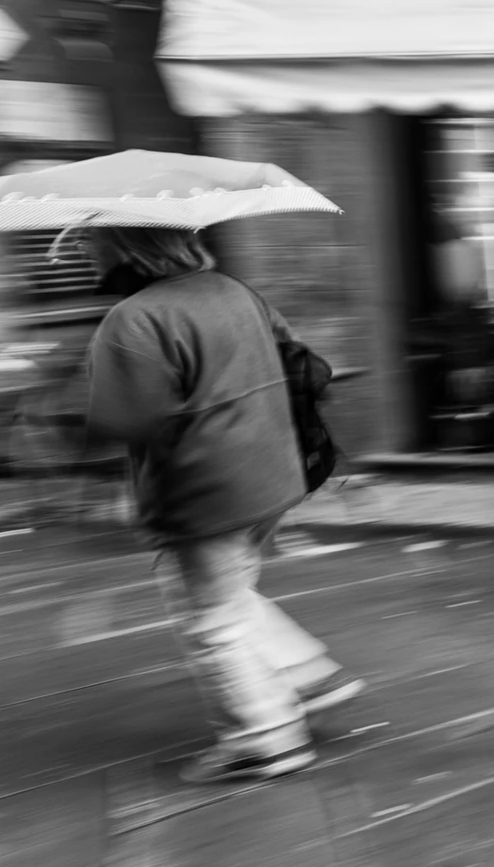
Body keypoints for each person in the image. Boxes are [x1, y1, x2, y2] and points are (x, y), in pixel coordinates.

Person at [80, 226, 362, 784]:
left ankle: (264, 738)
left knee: (210, 621)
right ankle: (310, 676)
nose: (84, 251)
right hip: (272, 473)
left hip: (205, 489)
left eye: (91, 241)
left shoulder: (134, 319)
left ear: (125, 247)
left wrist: (72, 415)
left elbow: (125, 419)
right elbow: (295, 357)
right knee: (228, 593)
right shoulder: (233, 290)